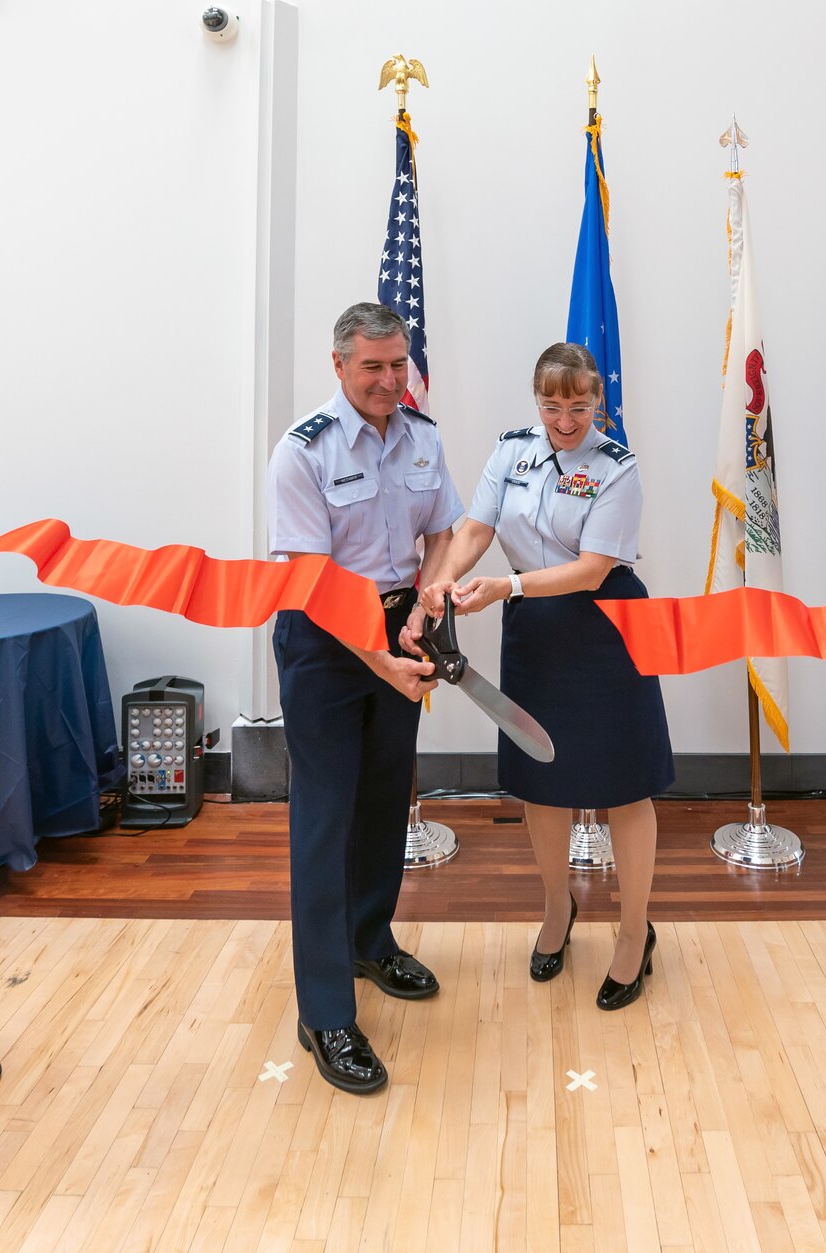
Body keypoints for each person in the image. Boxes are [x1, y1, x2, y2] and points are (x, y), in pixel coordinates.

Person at [414, 342, 674, 1008]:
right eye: (553, 406)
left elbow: (591, 568)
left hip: (606, 627)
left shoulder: (617, 466)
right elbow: (476, 527)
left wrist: (504, 585)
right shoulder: (513, 450)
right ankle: (558, 910)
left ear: (597, 402)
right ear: (537, 401)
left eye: (579, 407)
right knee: (543, 782)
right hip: (534, 634)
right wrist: (442, 581)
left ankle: (633, 932)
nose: (565, 420)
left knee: (625, 786)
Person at [267, 302, 460, 1094]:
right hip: (325, 640)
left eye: (397, 364)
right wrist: (380, 660)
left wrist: (429, 595)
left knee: (385, 798)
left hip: (398, 622)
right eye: (371, 367)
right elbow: (311, 583)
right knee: (325, 816)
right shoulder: (302, 451)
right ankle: (324, 1011)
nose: (388, 380)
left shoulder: (424, 436)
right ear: (339, 366)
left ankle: (369, 939)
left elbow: (445, 529)